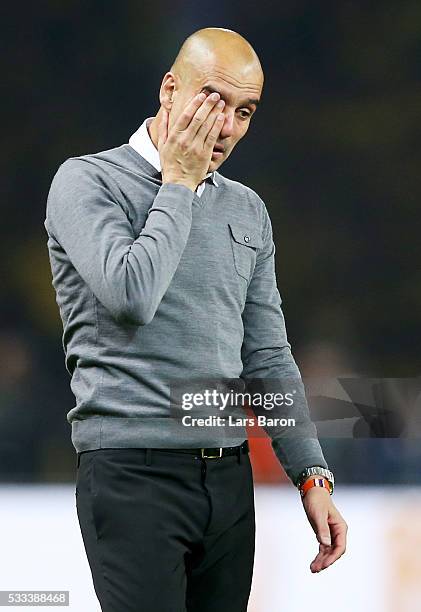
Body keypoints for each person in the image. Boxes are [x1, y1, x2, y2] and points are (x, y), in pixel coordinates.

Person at [44, 26, 347, 612]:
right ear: (169, 90)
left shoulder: (246, 208)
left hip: (228, 480)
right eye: (213, 99)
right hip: (131, 473)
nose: (227, 126)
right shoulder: (86, 182)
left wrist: (311, 473)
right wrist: (178, 183)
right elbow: (132, 294)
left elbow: (267, 355)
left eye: (245, 111)